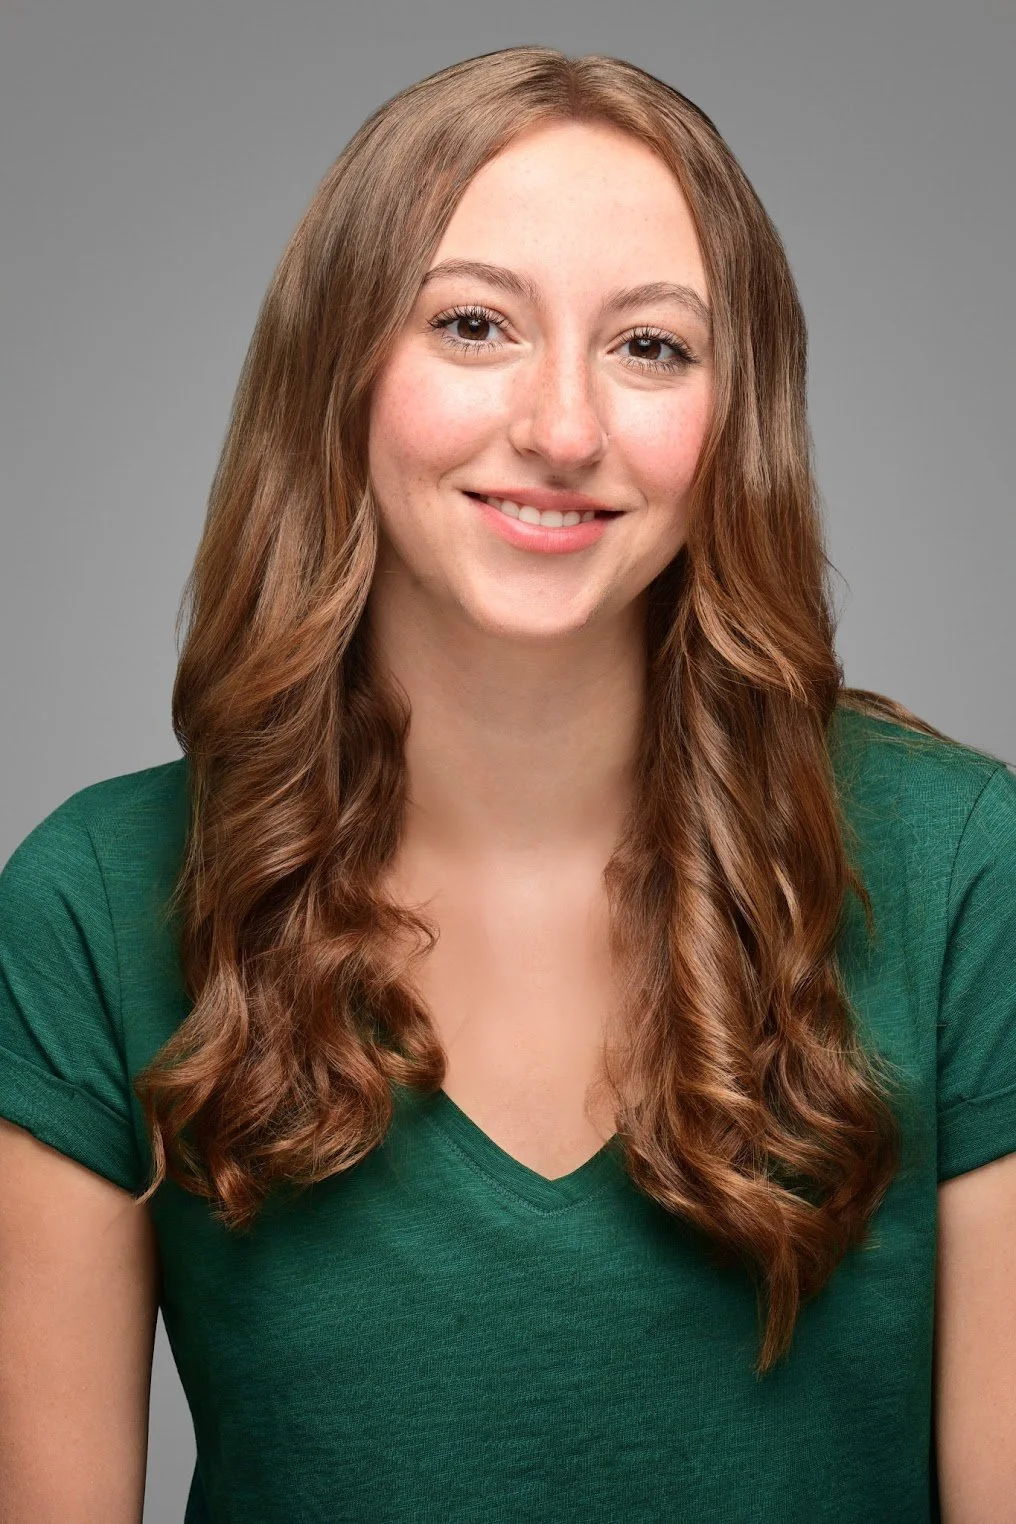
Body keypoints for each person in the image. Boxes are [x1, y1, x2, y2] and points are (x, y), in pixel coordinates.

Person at [1, 45, 1014, 1524]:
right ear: (339, 371)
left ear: (738, 419)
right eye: (474, 324)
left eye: (650, 347)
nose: (562, 430)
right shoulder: (94, 903)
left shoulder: (961, 867)